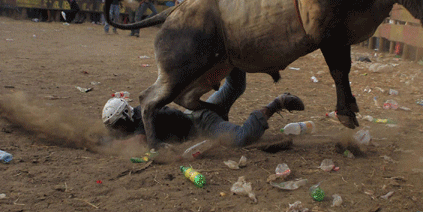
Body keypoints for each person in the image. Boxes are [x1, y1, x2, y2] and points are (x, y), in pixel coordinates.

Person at [101, 69, 305, 148]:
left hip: (203, 124)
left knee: (242, 137)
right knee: (235, 87)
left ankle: (277, 103)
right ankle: (233, 56)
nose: (117, 129)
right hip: (195, 115)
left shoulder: (140, 123)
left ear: (125, 117)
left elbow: (138, 140)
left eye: (117, 125)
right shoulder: (138, 114)